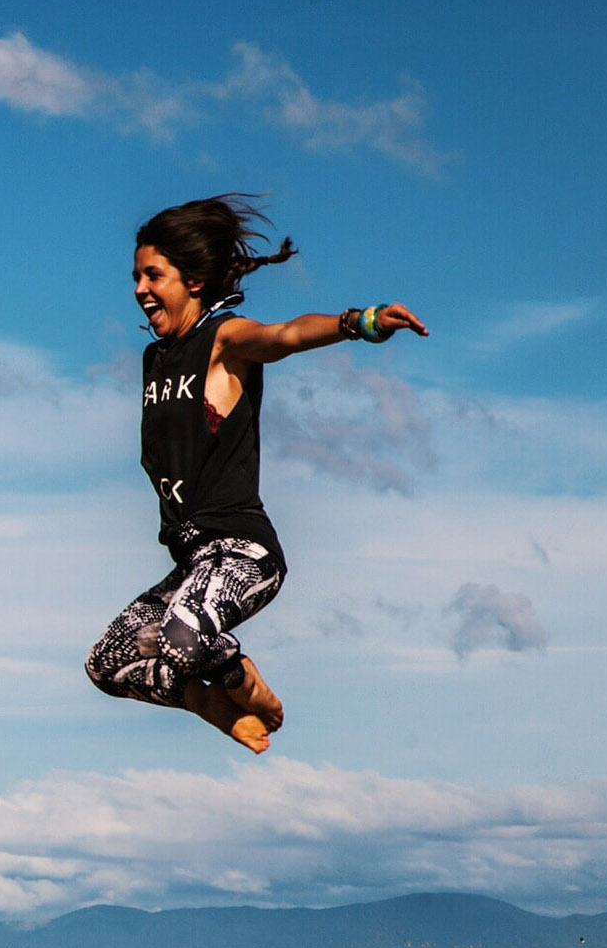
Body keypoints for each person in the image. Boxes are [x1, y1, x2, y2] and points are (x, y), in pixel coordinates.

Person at [84, 194, 426, 753]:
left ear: (193, 280)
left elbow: (285, 335)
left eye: (153, 275)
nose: (139, 289)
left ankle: (237, 674)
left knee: (180, 639)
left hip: (244, 555)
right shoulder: (156, 360)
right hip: (194, 563)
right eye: (135, 276)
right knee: (106, 662)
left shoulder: (223, 340)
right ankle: (208, 702)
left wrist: (358, 322)